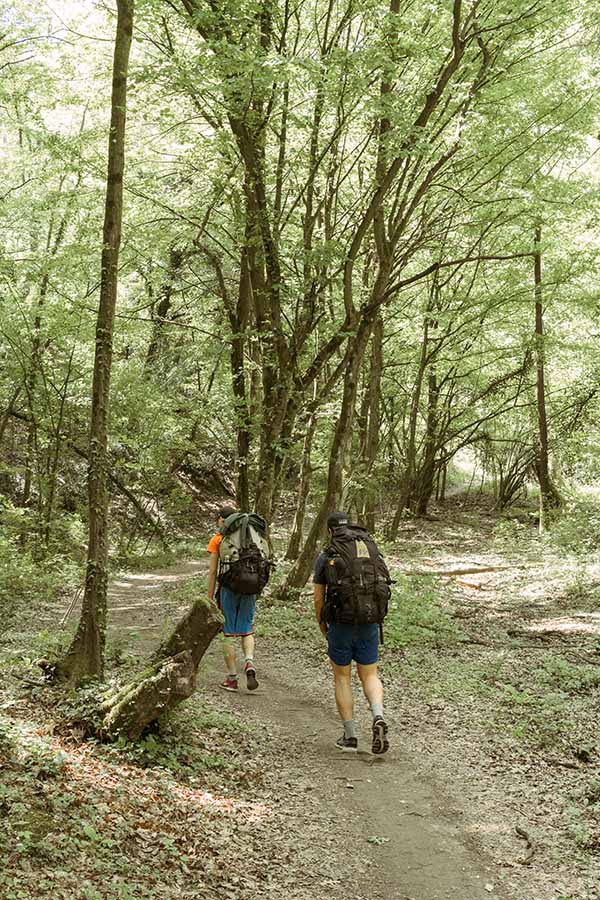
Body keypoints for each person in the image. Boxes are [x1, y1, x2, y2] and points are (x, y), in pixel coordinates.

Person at [313, 510, 389, 754]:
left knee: (342, 677)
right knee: (370, 675)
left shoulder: (327, 555)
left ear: (330, 530)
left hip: (340, 622)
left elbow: (318, 597)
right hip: (370, 620)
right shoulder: (369, 548)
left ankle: (350, 736)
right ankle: (377, 715)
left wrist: (322, 623)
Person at [207, 506, 259, 692]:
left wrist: (209, 598)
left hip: (228, 590)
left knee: (227, 633)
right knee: (247, 629)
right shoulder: (251, 538)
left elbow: (213, 571)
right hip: (250, 588)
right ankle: (249, 662)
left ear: (222, 520)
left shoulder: (218, 539)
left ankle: (232, 678)